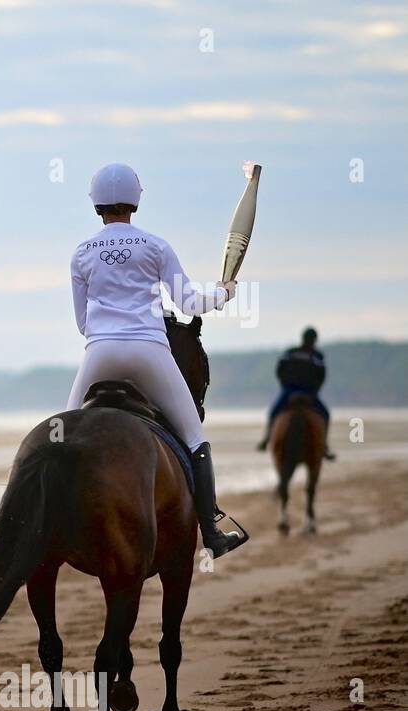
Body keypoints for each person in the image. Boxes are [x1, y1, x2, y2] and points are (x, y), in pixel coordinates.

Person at [67, 162, 247, 557]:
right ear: (136, 202)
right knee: (196, 438)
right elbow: (187, 303)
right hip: (150, 352)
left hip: (99, 353)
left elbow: (83, 324)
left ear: (96, 206)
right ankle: (213, 535)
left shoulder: (81, 253)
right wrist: (224, 292)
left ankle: (53, 531)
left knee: (61, 439)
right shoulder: (155, 246)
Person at [257, 328, 335, 460]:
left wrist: (284, 386)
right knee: (325, 414)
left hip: (289, 391)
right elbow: (321, 377)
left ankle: (266, 439)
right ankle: (324, 446)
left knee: (274, 412)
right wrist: (314, 392)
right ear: (314, 340)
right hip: (308, 392)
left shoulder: (291, 353)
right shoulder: (317, 356)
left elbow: (280, 371)